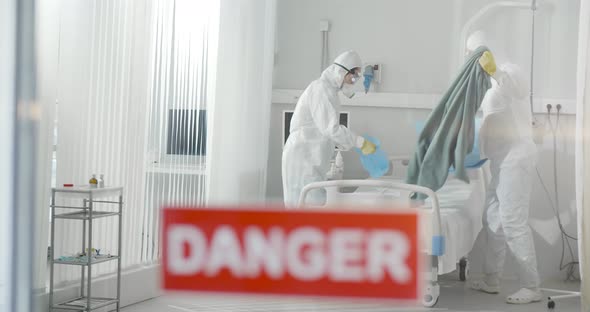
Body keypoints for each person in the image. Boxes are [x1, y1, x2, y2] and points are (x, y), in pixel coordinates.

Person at [470, 62, 542, 304]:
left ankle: (531, 287)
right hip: (504, 161)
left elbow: (491, 130)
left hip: (514, 160)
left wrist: (469, 152)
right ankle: (492, 280)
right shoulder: (502, 84)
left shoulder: (498, 89)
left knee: (513, 222)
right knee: (492, 217)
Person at [282, 50, 376, 207]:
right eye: (353, 76)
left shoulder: (330, 91)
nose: (354, 81)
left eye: (357, 78)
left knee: (309, 207)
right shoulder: (320, 89)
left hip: (310, 157)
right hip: (302, 157)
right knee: (308, 207)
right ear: (342, 71)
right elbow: (331, 128)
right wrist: (360, 142)